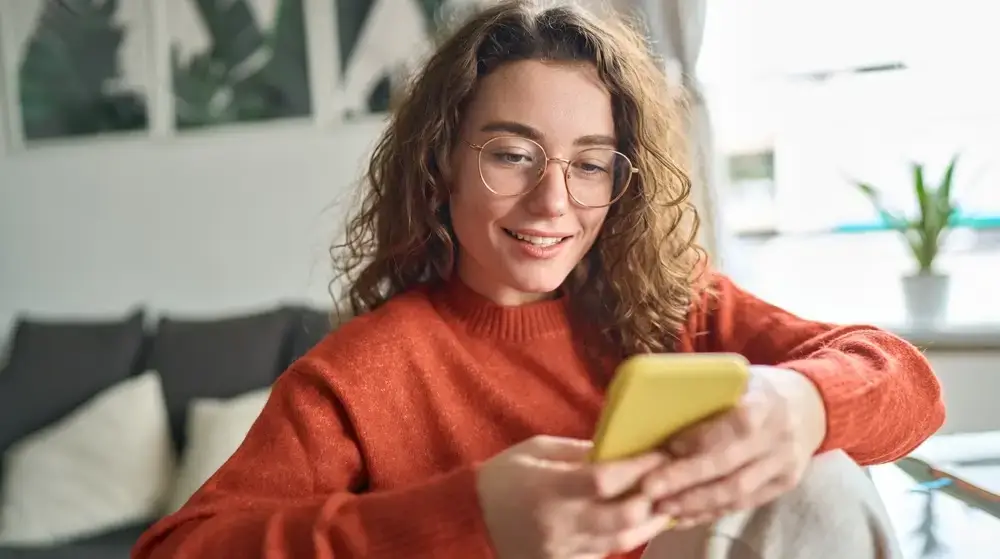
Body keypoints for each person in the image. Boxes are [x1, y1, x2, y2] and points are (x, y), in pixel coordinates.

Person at [133, 1, 945, 557]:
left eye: (590, 164)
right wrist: (472, 516)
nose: (554, 201)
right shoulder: (358, 377)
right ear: (442, 158)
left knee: (827, 471)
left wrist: (801, 405)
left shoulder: (677, 305)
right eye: (512, 154)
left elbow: (907, 383)